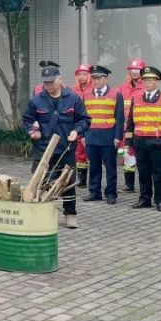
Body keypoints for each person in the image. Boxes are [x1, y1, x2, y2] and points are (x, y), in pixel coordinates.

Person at [22, 61, 91, 229]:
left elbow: (84, 119)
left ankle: (70, 213)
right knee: (40, 181)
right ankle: (41, 213)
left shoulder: (73, 98)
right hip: (42, 149)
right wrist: (31, 131)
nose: (48, 86)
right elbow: (27, 120)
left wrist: (76, 131)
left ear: (60, 79)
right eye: (45, 82)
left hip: (65, 149)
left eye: (51, 82)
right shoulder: (37, 100)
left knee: (68, 181)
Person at [124, 67, 161, 211]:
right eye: (145, 80)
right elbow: (130, 122)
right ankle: (144, 199)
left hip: (158, 143)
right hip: (140, 142)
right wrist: (128, 142)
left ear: (157, 82)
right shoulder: (136, 98)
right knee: (143, 172)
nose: (147, 83)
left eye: (150, 80)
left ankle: (160, 200)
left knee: (158, 173)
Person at [80, 65, 124, 204]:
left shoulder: (116, 94)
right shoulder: (86, 94)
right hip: (91, 136)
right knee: (94, 167)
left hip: (108, 137)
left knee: (110, 167)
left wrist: (118, 137)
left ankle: (111, 193)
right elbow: (83, 118)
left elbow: (120, 117)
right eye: (94, 78)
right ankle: (94, 192)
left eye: (99, 78)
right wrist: (83, 136)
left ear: (106, 78)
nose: (96, 81)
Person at [118, 59, 146, 193]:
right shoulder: (123, 88)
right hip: (125, 128)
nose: (134, 72)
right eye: (132, 70)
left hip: (140, 127)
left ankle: (144, 184)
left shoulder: (146, 87)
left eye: (137, 70)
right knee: (126, 153)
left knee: (141, 155)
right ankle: (129, 184)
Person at [72, 64, 93, 188]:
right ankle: (82, 179)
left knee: (92, 154)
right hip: (79, 126)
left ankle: (94, 180)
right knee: (79, 153)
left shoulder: (94, 89)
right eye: (79, 75)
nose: (82, 77)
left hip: (92, 126)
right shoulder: (73, 90)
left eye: (84, 74)